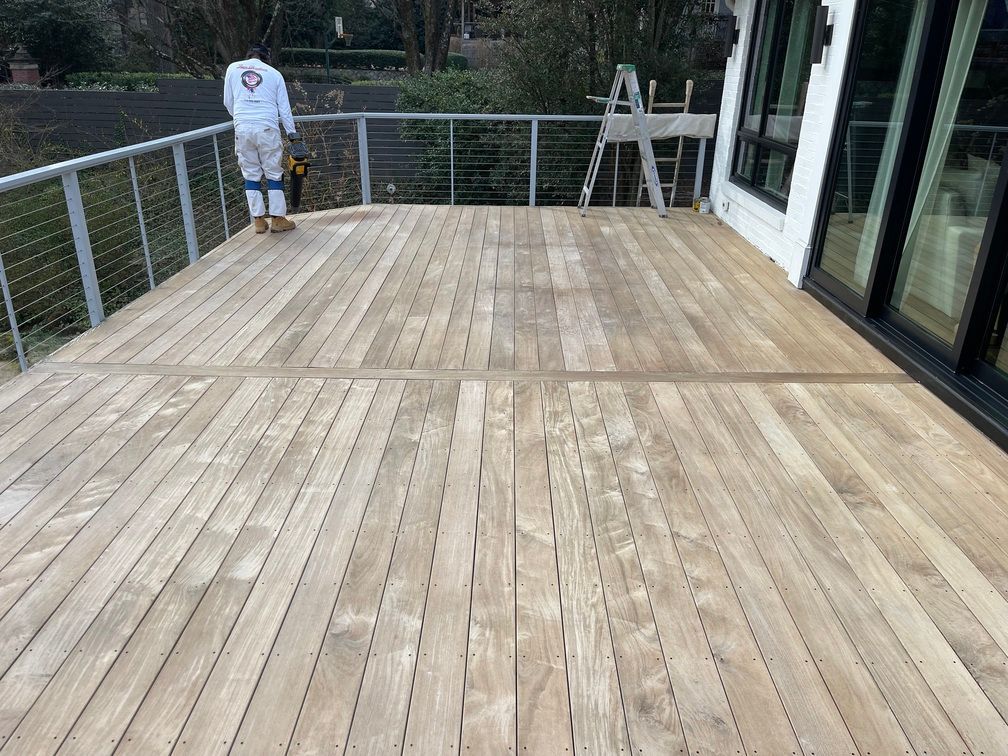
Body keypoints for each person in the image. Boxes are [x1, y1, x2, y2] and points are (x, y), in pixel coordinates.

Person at [223, 43, 297, 233]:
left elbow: (228, 102)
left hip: (242, 128)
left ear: (248, 56)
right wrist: (293, 135)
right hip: (267, 127)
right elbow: (284, 109)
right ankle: (278, 219)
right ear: (267, 58)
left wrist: (240, 118)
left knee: (250, 173)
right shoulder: (274, 74)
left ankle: (258, 221)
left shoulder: (232, 68)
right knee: (273, 172)